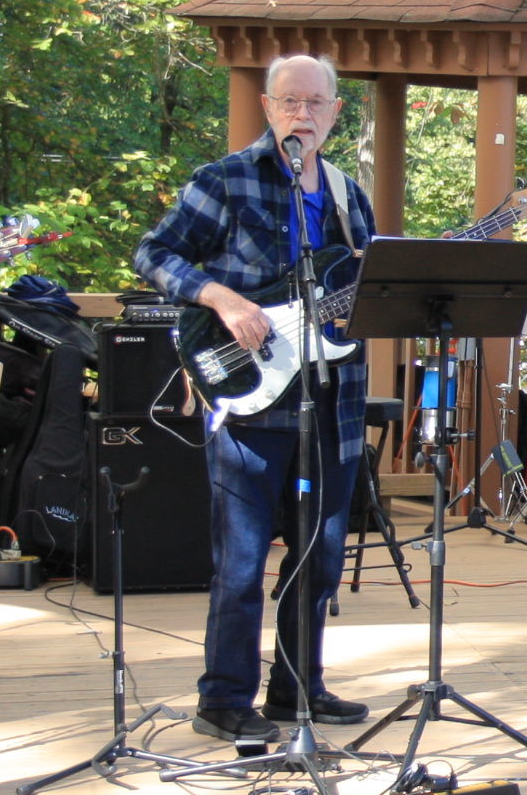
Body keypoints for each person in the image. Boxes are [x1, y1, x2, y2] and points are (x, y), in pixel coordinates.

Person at [135, 52, 378, 743]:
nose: (302, 113)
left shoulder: (347, 195)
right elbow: (154, 254)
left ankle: (297, 690)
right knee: (243, 561)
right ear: (268, 108)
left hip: (331, 397)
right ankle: (223, 699)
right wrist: (222, 298)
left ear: (335, 113)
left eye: (315, 102)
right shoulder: (225, 179)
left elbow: (356, 287)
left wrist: (367, 296)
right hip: (250, 391)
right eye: (289, 101)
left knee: (321, 557)